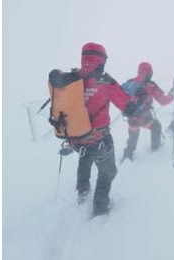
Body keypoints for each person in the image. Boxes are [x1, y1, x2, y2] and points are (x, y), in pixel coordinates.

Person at [68, 42, 134, 217]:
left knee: (85, 158)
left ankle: (82, 192)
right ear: (101, 60)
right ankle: (100, 207)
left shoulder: (73, 78)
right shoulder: (105, 81)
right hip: (100, 139)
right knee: (108, 172)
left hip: (77, 138)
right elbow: (126, 104)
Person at [121, 62, 174, 162]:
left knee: (133, 135)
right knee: (156, 126)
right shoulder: (151, 85)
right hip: (144, 117)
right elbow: (164, 101)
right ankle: (155, 149)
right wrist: (173, 95)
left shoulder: (130, 82)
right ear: (150, 73)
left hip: (131, 117)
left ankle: (128, 155)